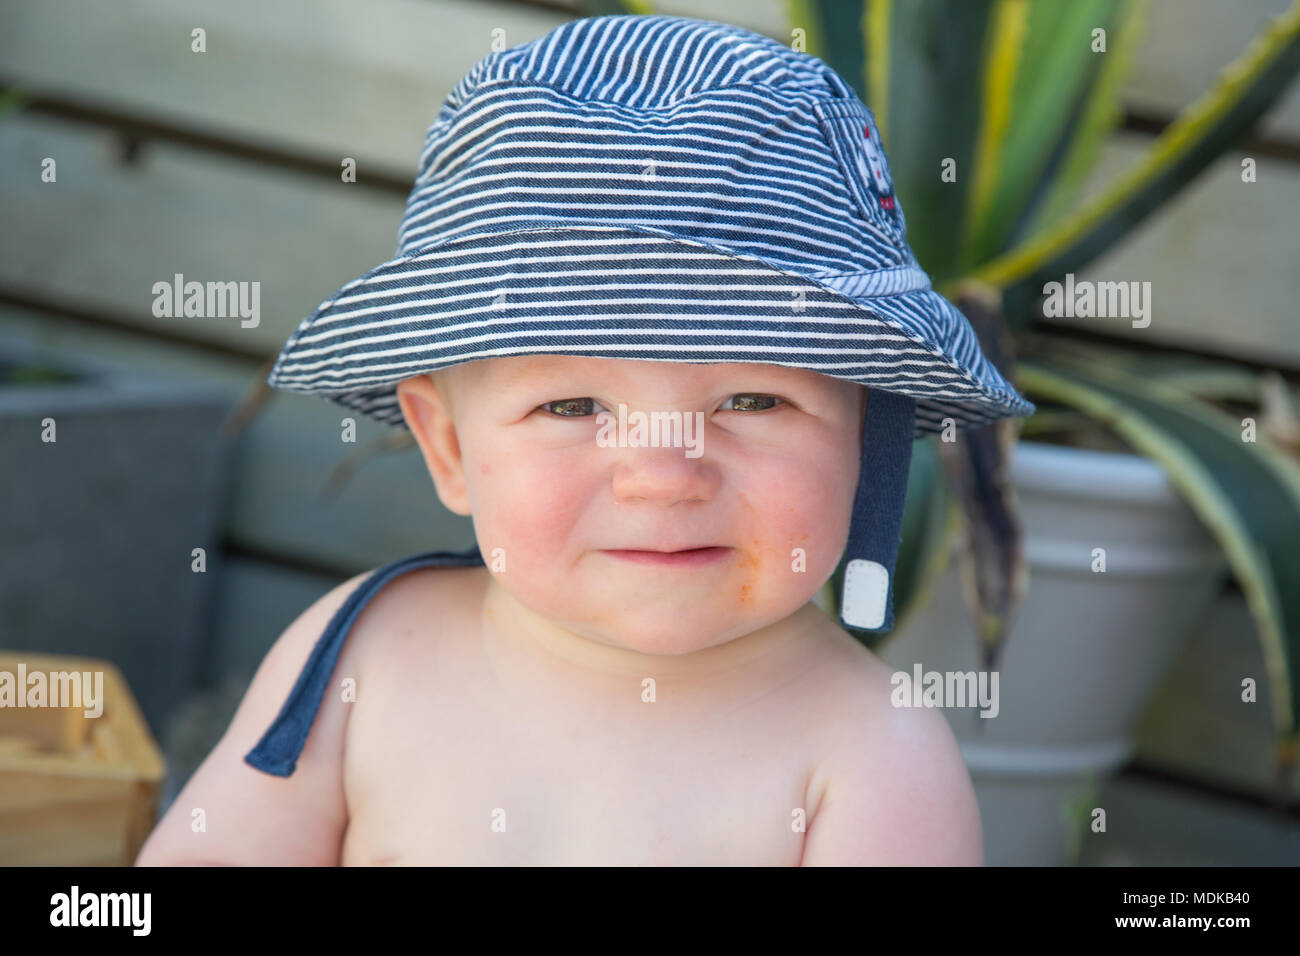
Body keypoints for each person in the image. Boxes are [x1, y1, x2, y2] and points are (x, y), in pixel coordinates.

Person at [136, 13, 1034, 866]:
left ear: (868, 439)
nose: (662, 476)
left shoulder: (872, 752)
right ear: (446, 446)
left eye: (754, 400)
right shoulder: (366, 651)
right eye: (571, 408)